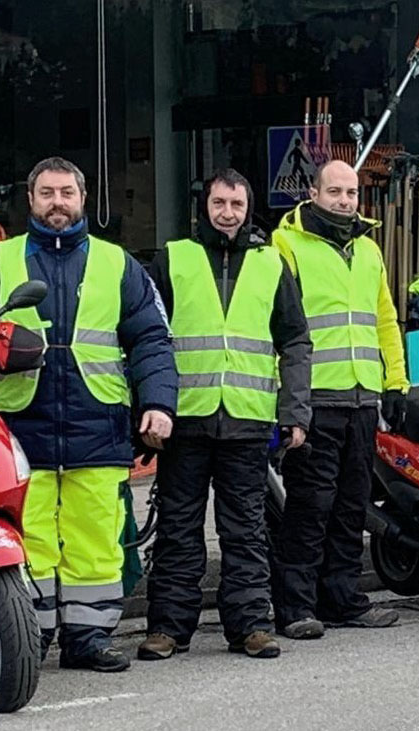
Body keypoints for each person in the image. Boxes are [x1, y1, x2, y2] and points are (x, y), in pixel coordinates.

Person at [0, 156, 177, 672]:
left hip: (99, 422)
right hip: (19, 427)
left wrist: (159, 403)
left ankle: (88, 638)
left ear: (83, 199)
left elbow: (152, 341)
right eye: (47, 194)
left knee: (95, 535)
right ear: (31, 200)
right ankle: (33, 634)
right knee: (29, 536)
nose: (57, 203)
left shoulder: (118, 264)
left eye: (66, 193)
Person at [138, 169, 312, 661]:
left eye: (236, 204)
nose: (228, 213)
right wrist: (150, 408)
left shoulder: (272, 264)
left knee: (246, 530)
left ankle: (252, 626)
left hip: (246, 420)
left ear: (248, 207)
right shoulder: (173, 259)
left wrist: (294, 411)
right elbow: (147, 338)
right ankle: (168, 628)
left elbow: (295, 340)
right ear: (204, 205)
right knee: (178, 530)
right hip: (185, 419)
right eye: (219, 203)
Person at [270, 159, 408, 639]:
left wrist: (396, 384)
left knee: (351, 507)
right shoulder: (287, 245)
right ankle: (295, 607)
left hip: (362, 398)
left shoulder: (368, 250)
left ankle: (343, 599)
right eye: (335, 192)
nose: (345, 201)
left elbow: (385, 320)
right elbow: (280, 328)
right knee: (311, 507)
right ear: (313, 192)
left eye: (350, 193)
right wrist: (288, 401)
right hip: (315, 399)